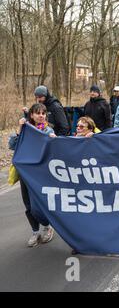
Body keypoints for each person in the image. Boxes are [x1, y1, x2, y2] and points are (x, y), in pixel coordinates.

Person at [9, 103, 56, 247]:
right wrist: (20, 129)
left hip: (41, 174)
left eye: (43, 113)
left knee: (41, 203)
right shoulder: (26, 129)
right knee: (28, 204)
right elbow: (12, 145)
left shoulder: (49, 130)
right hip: (26, 173)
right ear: (32, 115)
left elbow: (55, 151)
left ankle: (47, 226)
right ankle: (35, 232)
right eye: (38, 113)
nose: (41, 116)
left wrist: (54, 140)